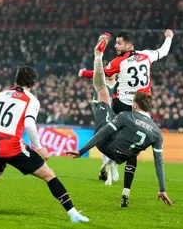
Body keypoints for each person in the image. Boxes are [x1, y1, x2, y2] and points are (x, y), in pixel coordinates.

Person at [0, 66, 89, 223]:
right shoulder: (31, 100)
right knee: (49, 174)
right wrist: (39, 147)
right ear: (33, 81)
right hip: (11, 145)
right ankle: (73, 214)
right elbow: (29, 124)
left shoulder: (0, 95)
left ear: (16, 78)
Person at [67, 38, 173, 208]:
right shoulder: (156, 132)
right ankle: (125, 191)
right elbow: (158, 162)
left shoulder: (125, 115)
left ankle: (97, 55)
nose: (116, 46)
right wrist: (162, 188)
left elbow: (103, 133)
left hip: (107, 146)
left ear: (135, 105)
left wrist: (81, 151)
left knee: (102, 92)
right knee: (134, 152)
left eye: (119, 43)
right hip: (125, 155)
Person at [78, 30, 173, 114]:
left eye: (119, 43)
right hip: (142, 105)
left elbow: (101, 74)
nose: (115, 46)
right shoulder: (147, 54)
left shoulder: (118, 61)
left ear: (128, 45)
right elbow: (163, 51)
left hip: (122, 105)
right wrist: (169, 37)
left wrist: (84, 73)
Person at [91, 70, 119, 184]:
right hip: (105, 120)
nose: (111, 74)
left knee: (117, 146)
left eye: (113, 71)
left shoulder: (120, 86)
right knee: (105, 146)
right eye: (109, 71)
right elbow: (94, 103)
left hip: (118, 119)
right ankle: (108, 175)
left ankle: (114, 166)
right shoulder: (101, 87)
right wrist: (99, 117)